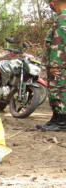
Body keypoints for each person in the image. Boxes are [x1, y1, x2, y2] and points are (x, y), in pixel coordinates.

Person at [36, 0, 66, 132]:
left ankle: (61, 122)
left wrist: (55, 65)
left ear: (53, 3)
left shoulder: (62, 19)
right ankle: (56, 119)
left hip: (60, 64)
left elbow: (58, 43)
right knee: (56, 91)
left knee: (58, 91)